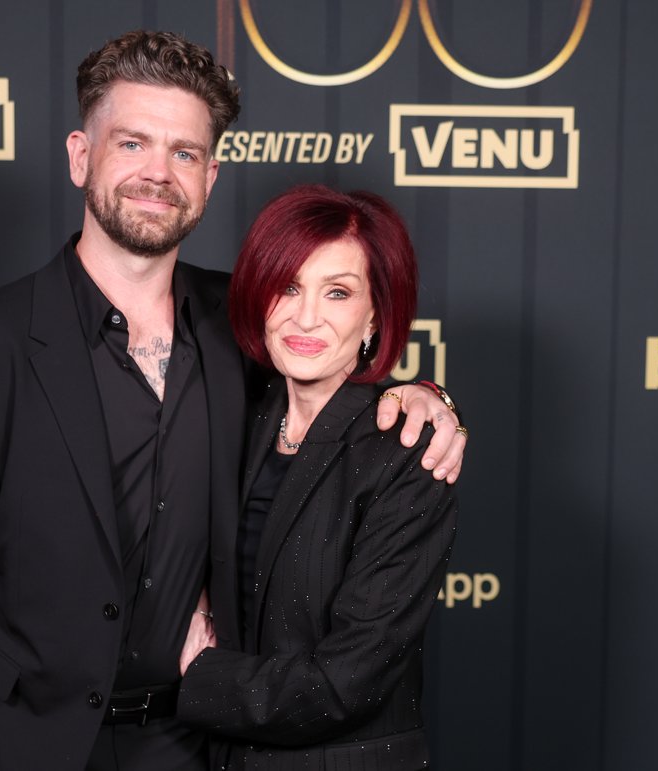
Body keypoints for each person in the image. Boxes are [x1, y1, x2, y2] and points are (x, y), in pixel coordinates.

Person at [0, 30, 466, 771]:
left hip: (203, 742)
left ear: (210, 176)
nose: (157, 173)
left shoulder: (250, 325)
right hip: (33, 744)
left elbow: (335, 390)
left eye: (184, 153)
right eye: (132, 143)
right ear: (80, 156)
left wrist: (427, 396)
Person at [177, 185, 458, 770]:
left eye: (338, 292)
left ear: (375, 312)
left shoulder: (406, 451)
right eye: (288, 287)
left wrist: (201, 678)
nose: (305, 317)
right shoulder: (241, 415)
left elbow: (346, 682)